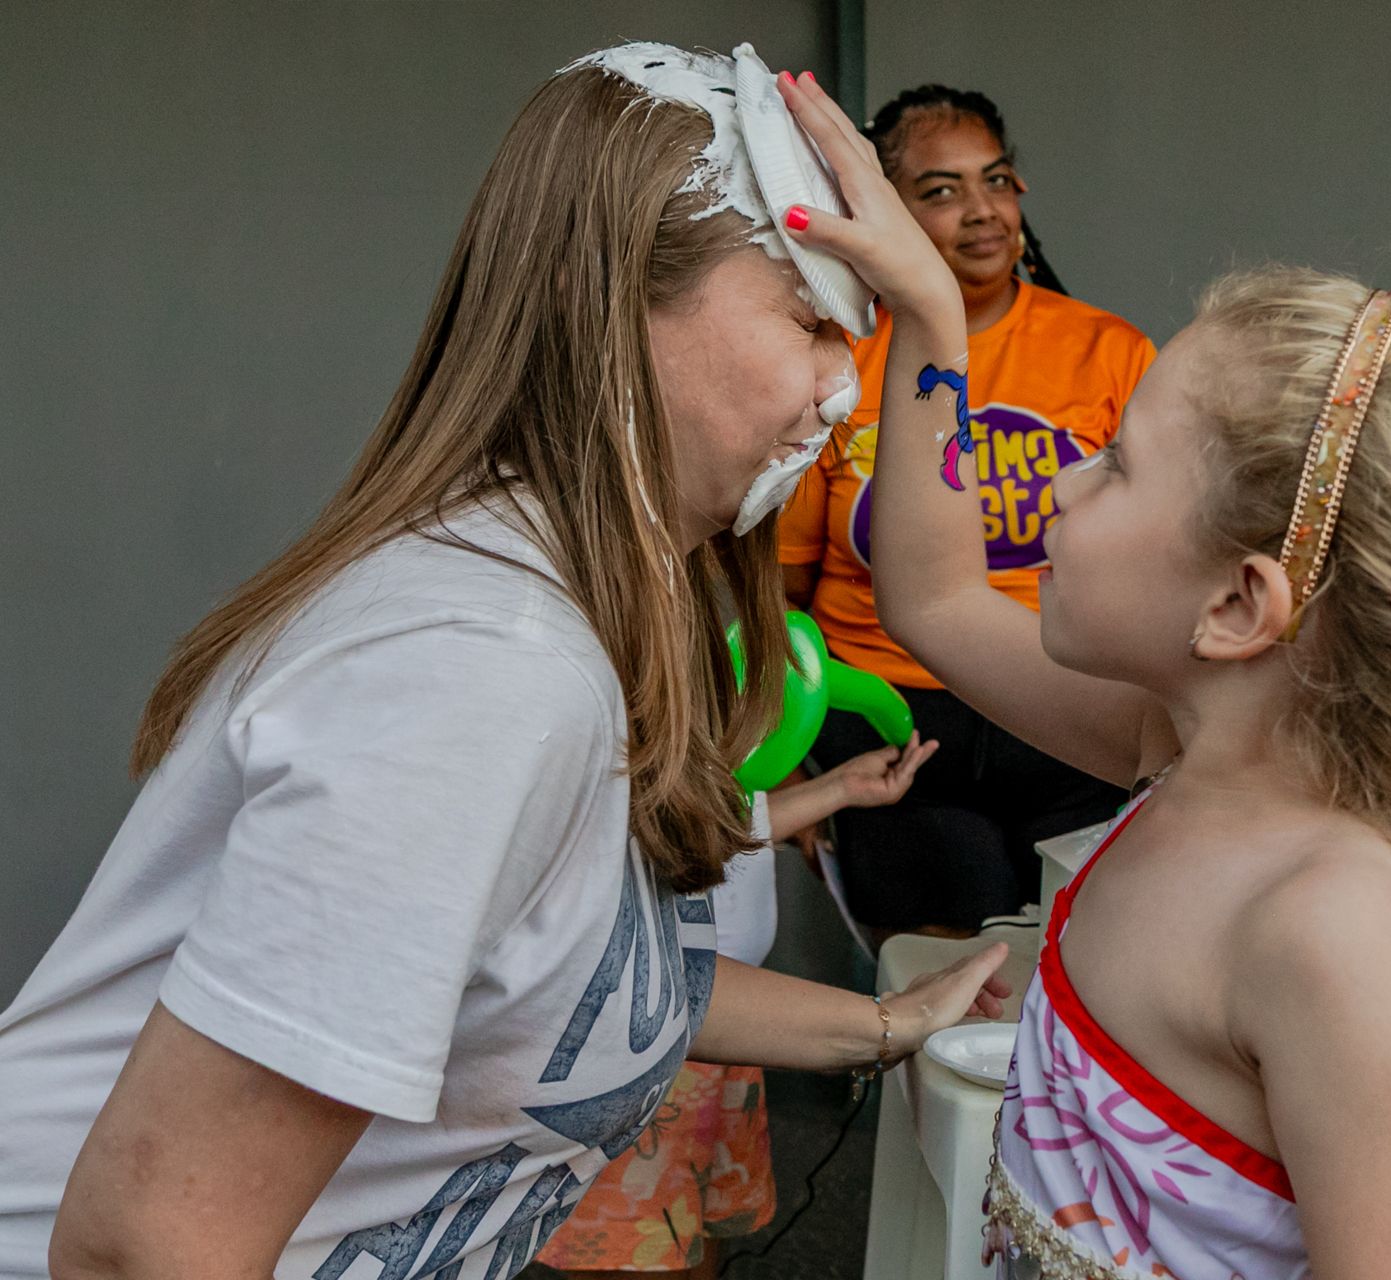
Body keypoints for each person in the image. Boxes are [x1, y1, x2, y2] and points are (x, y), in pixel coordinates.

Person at [0, 47, 1008, 1280]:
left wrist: (888, 1020)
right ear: (614, 307)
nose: (840, 394)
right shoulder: (483, 671)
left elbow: (578, 970)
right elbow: (142, 1247)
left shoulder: (585, 612)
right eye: (810, 322)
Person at [773, 74, 1391, 1279]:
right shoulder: (1176, 754)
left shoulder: (1325, 917)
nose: (1064, 485)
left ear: (1237, 604)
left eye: (1116, 463)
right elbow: (937, 596)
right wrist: (928, 318)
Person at [778, 85, 1155, 938]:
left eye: (996, 180)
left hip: (1069, 706)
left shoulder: (1109, 351)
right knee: (948, 991)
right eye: (940, 191)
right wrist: (799, 757)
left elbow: (1158, 554)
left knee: (1083, 956)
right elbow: (780, 593)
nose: (982, 212)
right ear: (885, 211)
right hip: (894, 727)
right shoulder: (841, 363)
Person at [534, 740, 936, 1279]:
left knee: (696, 1228)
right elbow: (655, 837)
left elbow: (706, 829)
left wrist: (837, 789)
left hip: (723, 1034)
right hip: (641, 1042)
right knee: (633, 1252)